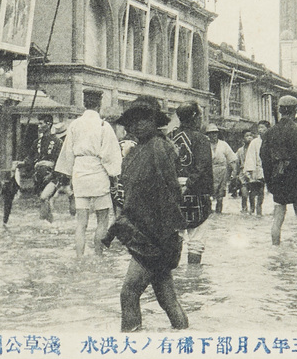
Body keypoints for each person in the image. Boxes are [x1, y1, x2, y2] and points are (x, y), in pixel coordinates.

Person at [102, 96, 188, 332]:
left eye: (145, 119)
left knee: (129, 293)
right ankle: (185, 335)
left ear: (154, 121)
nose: (138, 124)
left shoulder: (158, 147)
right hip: (149, 233)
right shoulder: (138, 150)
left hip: (154, 236)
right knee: (166, 297)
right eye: (133, 120)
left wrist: (165, 234)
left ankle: (130, 344)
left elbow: (170, 191)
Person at [55, 89, 122, 258]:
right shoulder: (103, 126)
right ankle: (98, 257)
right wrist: (114, 176)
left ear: (84, 103)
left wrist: (70, 177)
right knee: (102, 220)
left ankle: (79, 257)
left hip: (79, 172)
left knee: (81, 222)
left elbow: (67, 153)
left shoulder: (74, 125)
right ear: (99, 104)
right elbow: (110, 155)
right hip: (98, 172)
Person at [260, 96, 297, 246]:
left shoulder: (269, 133)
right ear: (295, 111)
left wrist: (269, 182)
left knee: (278, 215)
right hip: (296, 180)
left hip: (277, 179)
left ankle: (275, 246)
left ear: (279, 110)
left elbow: (264, 159)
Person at [168, 102, 214, 264]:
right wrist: (189, 184)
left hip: (173, 193)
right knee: (196, 240)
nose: (201, 120)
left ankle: (176, 279)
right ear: (194, 118)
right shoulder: (201, 139)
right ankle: (193, 279)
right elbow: (203, 167)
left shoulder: (170, 138)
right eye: (200, 116)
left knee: (176, 237)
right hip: (196, 192)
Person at [205, 124, 238, 214]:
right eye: (210, 133)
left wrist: (234, 173)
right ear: (208, 135)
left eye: (215, 133)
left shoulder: (223, 144)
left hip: (222, 171)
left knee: (220, 195)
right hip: (208, 171)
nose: (213, 135)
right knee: (208, 194)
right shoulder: (205, 145)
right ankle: (209, 213)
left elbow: (232, 159)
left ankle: (218, 213)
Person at [242, 123, 267, 216]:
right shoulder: (255, 142)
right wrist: (250, 170)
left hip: (265, 169)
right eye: (259, 127)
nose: (260, 130)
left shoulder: (270, 140)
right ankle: (252, 208)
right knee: (253, 190)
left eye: (263, 127)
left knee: (261, 190)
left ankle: (259, 208)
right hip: (255, 169)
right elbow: (250, 156)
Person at [233, 129, 254, 211]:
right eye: (247, 136)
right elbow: (236, 164)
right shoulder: (240, 151)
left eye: (250, 135)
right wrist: (234, 175)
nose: (249, 137)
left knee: (253, 194)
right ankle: (244, 210)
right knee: (244, 194)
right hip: (243, 173)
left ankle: (252, 210)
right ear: (243, 139)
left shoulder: (254, 149)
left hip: (252, 172)